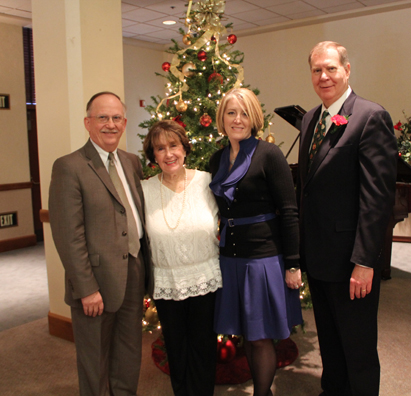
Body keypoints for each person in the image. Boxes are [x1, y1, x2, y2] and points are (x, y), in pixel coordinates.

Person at [296, 41, 397, 396]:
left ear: (347, 70)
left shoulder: (370, 116)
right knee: (330, 343)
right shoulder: (311, 118)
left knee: (358, 349)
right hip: (319, 258)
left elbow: (376, 198)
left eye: (331, 69)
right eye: (316, 70)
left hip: (352, 261)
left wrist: (365, 262)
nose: (324, 76)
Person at [49, 92, 152, 396]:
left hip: (133, 272)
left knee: (129, 353)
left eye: (116, 118)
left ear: (125, 122)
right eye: (102, 118)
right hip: (95, 282)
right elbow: (69, 235)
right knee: (94, 361)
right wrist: (86, 288)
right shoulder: (69, 166)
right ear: (88, 123)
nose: (110, 124)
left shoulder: (132, 162)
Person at [209, 88, 303, 396]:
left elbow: (289, 212)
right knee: (245, 334)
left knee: (261, 337)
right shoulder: (217, 159)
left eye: (244, 113)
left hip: (262, 258)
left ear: (254, 118)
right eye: (231, 112)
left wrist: (293, 264)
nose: (238, 119)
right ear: (222, 118)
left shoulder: (269, 154)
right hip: (230, 258)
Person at [141, 119, 221, 396]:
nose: (168, 153)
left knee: (203, 348)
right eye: (160, 148)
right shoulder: (145, 190)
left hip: (206, 278)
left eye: (173, 145)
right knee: (176, 350)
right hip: (167, 281)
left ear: (184, 148)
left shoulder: (208, 182)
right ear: (153, 156)